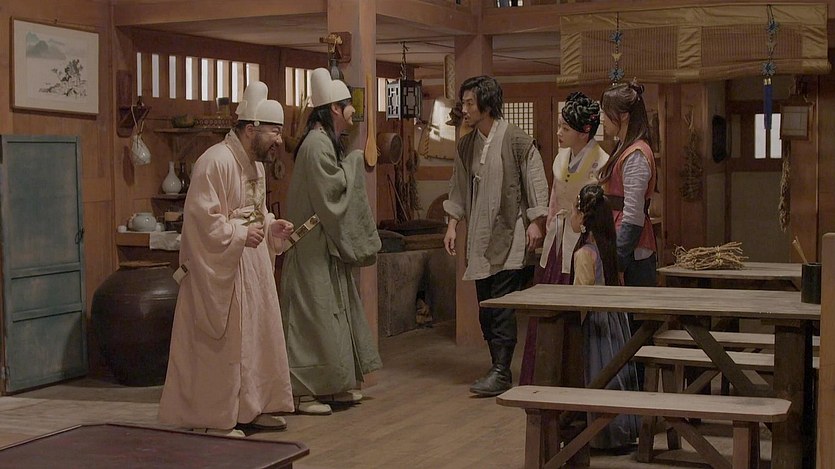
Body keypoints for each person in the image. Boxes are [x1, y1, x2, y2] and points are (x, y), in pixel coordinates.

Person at [158, 80, 295, 436]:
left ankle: (252, 406)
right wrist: (238, 234)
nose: (279, 141)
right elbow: (202, 223)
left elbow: (255, 211)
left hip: (252, 266)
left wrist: (271, 226)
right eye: (274, 132)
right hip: (220, 268)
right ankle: (212, 418)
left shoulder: (256, 166)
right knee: (224, 344)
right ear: (251, 129)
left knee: (255, 338)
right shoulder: (214, 162)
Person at [279, 68, 382, 415]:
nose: (353, 111)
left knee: (333, 314)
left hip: (322, 243)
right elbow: (333, 192)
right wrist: (353, 162)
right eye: (348, 105)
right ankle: (303, 392)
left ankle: (333, 385)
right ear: (334, 109)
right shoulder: (316, 145)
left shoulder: (322, 141)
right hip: (311, 244)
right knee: (312, 317)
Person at [443, 75, 549, 397]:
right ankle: (496, 365)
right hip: (480, 234)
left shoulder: (516, 140)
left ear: (487, 105)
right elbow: (458, 186)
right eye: (463, 103)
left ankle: (502, 370)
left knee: (502, 306)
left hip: (510, 232)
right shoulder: (466, 145)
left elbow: (535, 181)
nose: (464, 109)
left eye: (470, 103)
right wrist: (452, 224)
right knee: (486, 305)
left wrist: (536, 221)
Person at [519, 91, 608, 385]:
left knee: (575, 316)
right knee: (548, 311)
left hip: (583, 242)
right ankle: (543, 380)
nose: (558, 133)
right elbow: (554, 200)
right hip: (558, 241)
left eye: (565, 128)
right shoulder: (561, 158)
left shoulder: (601, 162)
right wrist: (546, 228)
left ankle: (574, 383)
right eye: (559, 126)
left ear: (584, 131)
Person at [568, 183, 640, 449]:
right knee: (616, 372)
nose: (571, 217)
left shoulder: (584, 255)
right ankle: (622, 429)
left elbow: (581, 298)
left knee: (600, 373)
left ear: (584, 219)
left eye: (574, 212)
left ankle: (603, 434)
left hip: (595, 324)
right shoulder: (608, 250)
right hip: (615, 322)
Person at [598, 79, 657, 287]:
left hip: (632, 249)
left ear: (623, 115)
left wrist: (619, 260)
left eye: (606, 113)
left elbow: (633, 214)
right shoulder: (623, 147)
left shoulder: (636, 154)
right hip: (617, 237)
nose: (603, 119)